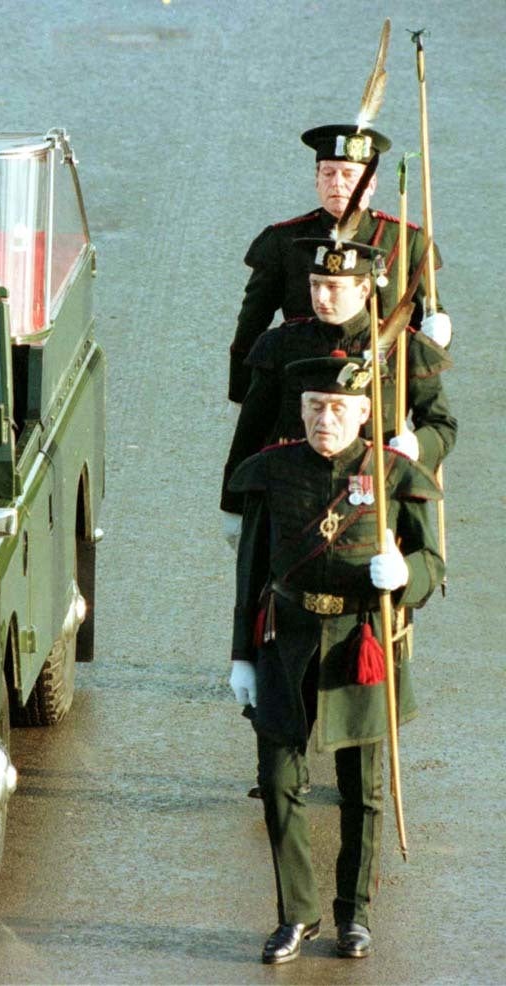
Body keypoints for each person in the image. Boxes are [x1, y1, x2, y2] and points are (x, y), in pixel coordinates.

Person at [227, 352, 443, 963]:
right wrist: (241, 656)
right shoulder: (270, 473)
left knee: (362, 790)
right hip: (286, 641)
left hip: (361, 642)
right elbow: (250, 575)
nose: (327, 418)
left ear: (364, 413)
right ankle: (296, 915)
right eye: (317, 407)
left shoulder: (394, 476)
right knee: (278, 782)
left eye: (340, 408)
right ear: (302, 411)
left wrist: (405, 574)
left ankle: (356, 916)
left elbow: (434, 563)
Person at [221, 238, 455, 540]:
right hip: (292, 496)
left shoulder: (406, 348)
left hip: (372, 498)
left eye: (333, 287)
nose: (321, 296)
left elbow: (441, 425)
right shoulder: (279, 345)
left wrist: (417, 445)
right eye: (315, 284)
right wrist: (233, 503)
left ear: (363, 290)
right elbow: (251, 430)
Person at [227, 124, 450, 403]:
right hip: (302, 387)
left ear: (371, 184)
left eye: (349, 175)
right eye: (328, 173)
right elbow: (251, 323)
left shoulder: (406, 240)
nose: (337, 184)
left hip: (379, 389)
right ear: (316, 180)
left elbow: (428, 317)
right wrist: (241, 395)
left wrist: (439, 332)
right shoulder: (283, 240)